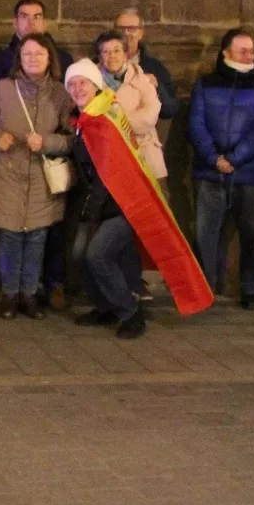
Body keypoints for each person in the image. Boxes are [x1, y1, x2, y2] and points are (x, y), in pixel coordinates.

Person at [0, 34, 73, 320]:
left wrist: (47, 142)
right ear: (19, 58)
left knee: (37, 238)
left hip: (42, 179)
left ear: (49, 58)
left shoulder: (61, 94)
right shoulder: (3, 89)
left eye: (39, 54)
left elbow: (72, 137)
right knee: (10, 237)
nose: (33, 59)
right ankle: (9, 294)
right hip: (8, 175)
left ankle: (29, 294)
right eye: (27, 53)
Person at [187, 28, 254, 309]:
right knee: (205, 233)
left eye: (252, 50)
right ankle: (205, 288)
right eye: (243, 50)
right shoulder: (206, 84)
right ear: (226, 52)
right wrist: (214, 158)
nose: (250, 55)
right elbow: (196, 124)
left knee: (252, 232)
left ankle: (251, 288)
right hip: (209, 170)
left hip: (248, 171)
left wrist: (235, 158)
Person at [64, 60, 148, 338]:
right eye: (72, 84)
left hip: (120, 203)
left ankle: (131, 312)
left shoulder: (105, 118)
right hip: (96, 202)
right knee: (79, 255)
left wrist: (93, 209)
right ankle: (106, 306)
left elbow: (109, 169)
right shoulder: (83, 119)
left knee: (97, 254)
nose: (77, 88)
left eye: (83, 83)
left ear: (96, 85)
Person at [90, 31, 165, 188]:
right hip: (110, 160)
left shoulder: (143, 80)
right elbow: (93, 122)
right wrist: (129, 120)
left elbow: (148, 119)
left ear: (125, 55)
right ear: (100, 57)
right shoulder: (91, 84)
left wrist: (113, 121)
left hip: (145, 157)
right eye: (106, 51)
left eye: (117, 50)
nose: (112, 56)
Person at [0, 0, 74, 87]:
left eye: (37, 16)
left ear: (44, 23)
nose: (31, 22)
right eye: (24, 16)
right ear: (15, 23)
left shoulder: (64, 59)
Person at [113, 8, 179, 119]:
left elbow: (170, 110)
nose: (126, 33)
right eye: (120, 29)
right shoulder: (98, 65)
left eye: (132, 29)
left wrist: (157, 87)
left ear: (141, 33)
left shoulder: (155, 67)